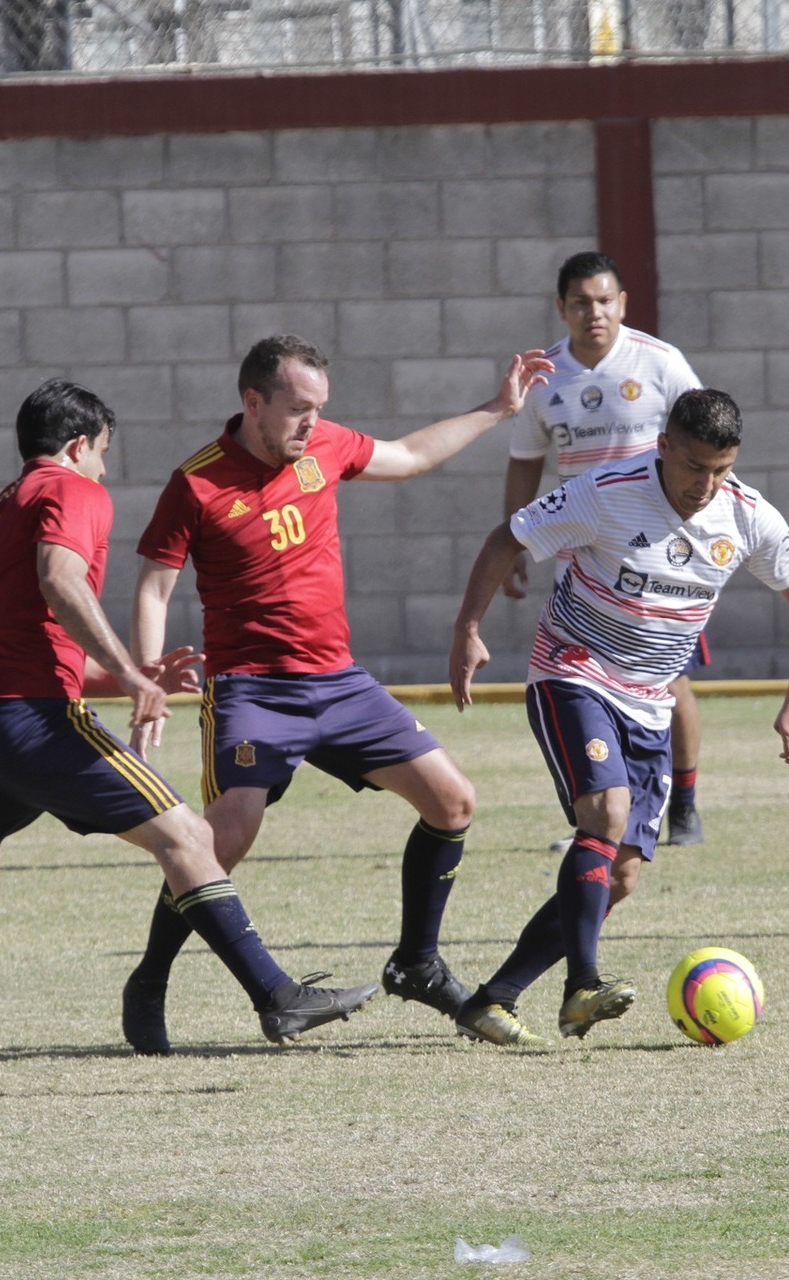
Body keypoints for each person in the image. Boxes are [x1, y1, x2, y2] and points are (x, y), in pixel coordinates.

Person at [0, 380, 377, 1097]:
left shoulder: (4, 504)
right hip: (27, 720)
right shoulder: (73, 490)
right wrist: (129, 673)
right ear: (77, 445)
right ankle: (276, 997)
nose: (104, 471)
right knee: (187, 836)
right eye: (103, 455)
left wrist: (130, 673)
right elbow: (61, 580)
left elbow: (27, 637)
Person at [119, 335, 554, 1056]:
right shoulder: (195, 482)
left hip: (339, 681)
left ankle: (417, 963)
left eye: (319, 409)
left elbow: (409, 456)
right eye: (296, 409)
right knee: (221, 840)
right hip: (253, 691)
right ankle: (151, 978)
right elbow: (154, 585)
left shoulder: (327, 448)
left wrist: (498, 409)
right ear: (252, 402)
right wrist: (145, 675)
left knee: (453, 802)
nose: (311, 425)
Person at [449, 388, 789, 1045]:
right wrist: (468, 631)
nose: (706, 485)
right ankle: (581, 986)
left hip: (652, 701)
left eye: (722, 469)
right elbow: (505, 539)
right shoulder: (605, 492)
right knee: (606, 812)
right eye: (694, 467)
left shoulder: (747, 516)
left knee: (618, 875)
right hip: (574, 670)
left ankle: (494, 996)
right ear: (664, 449)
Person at [505, 252, 712, 848]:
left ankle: (685, 808)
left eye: (603, 301)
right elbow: (524, 464)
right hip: (584, 559)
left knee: (667, 681)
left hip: (658, 551)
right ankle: (600, 819)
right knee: (586, 686)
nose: (593, 312)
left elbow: (707, 436)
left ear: (622, 303)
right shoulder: (547, 378)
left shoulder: (661, 364)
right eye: (580, 302)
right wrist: (517, 541)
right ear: (561, 307)